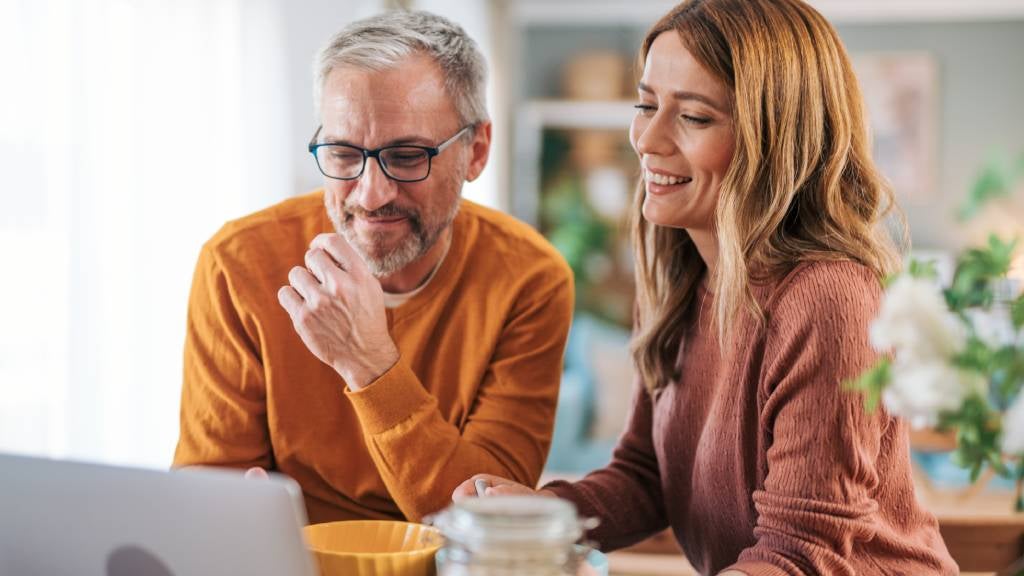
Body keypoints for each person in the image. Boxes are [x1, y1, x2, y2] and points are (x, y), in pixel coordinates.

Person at [454, 0, 958, 574]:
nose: (647, 139)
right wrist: (544, 512)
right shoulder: (677, 278)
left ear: (777, 140)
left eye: (693, 117)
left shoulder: (829, 298)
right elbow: (646, 477)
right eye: (645, 105)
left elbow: (797, 556)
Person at [173, 10, 574, 524]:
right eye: (343, 153)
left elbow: (489, 523)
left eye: (407, 156)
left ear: (476, 151)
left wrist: (369, 364)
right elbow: (209, 504)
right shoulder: (238, 264)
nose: (371, 194)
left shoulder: (528, 280)